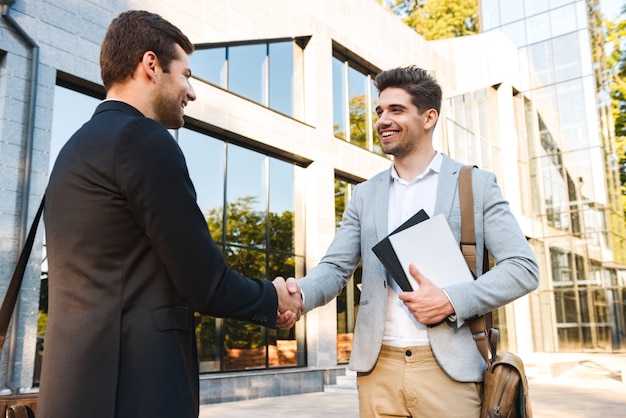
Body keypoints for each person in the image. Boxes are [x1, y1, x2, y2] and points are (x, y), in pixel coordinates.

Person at [38, 10, 302, 418]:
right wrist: (273, 298)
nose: (191, 92)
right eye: (186, 75)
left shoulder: (74, 149)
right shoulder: (143, 139)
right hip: (134, 394)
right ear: (151, 65)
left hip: (74, 392)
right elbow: (205, 282)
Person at [290, 66, 539, 417]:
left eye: (396, 110)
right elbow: (335, 267)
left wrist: (451, 300)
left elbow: (523, 268)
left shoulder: (475, 185)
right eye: (379, 111)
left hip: (449, 371)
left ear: (428, 117)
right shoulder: (364, 194)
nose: (382, 120)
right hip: (378, 370)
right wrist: (299, 296)